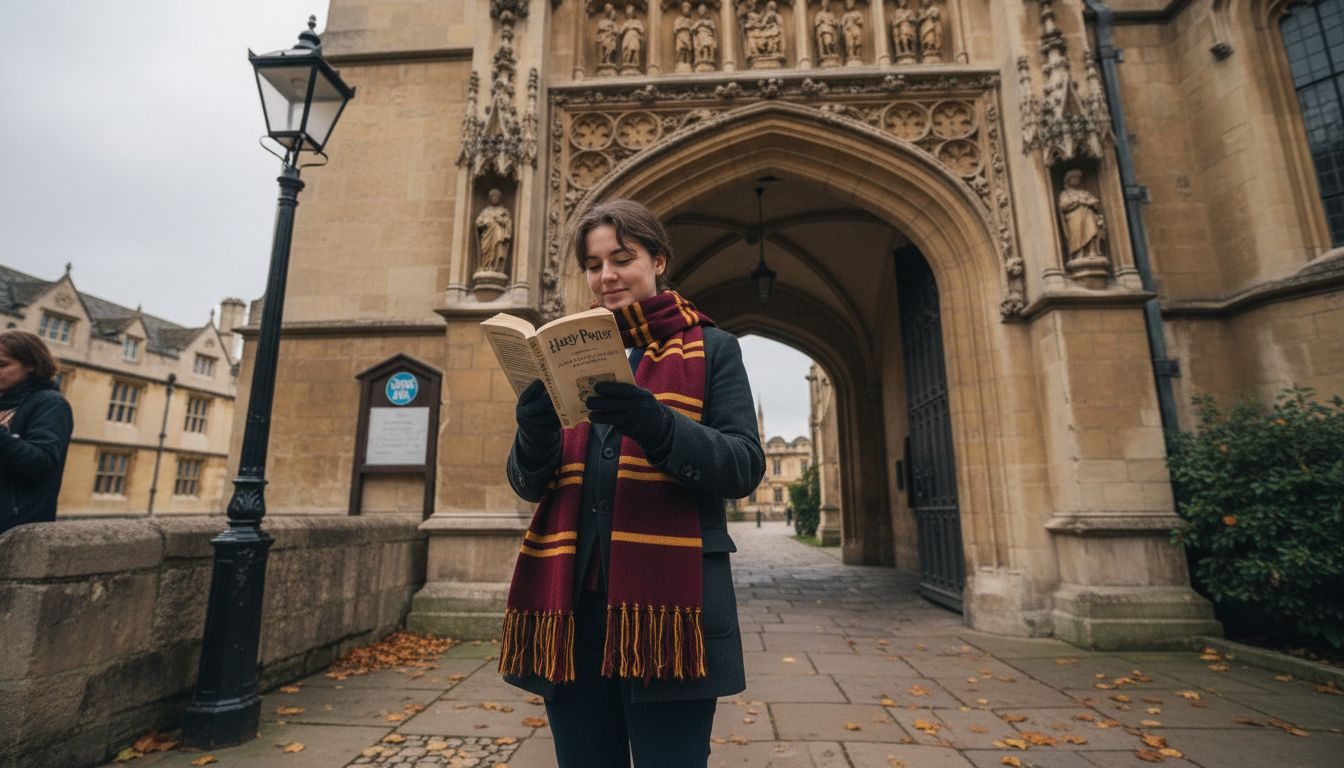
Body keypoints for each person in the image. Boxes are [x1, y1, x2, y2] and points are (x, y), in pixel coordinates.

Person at [500, 199, 765, 768]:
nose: (607, 276)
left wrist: (657, 424)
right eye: (594, 265)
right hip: (571, 613)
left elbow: (744, 466)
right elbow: (528, 482)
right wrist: (535, 431)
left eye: (623, 258)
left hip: (672, 617)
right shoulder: (564, 351)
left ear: (658, 261)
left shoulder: (713, 350)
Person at [0, 331, 74, 535]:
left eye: (2, 365)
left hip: (15, 531)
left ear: (31, 365)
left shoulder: (51, 403)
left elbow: (40, 463)